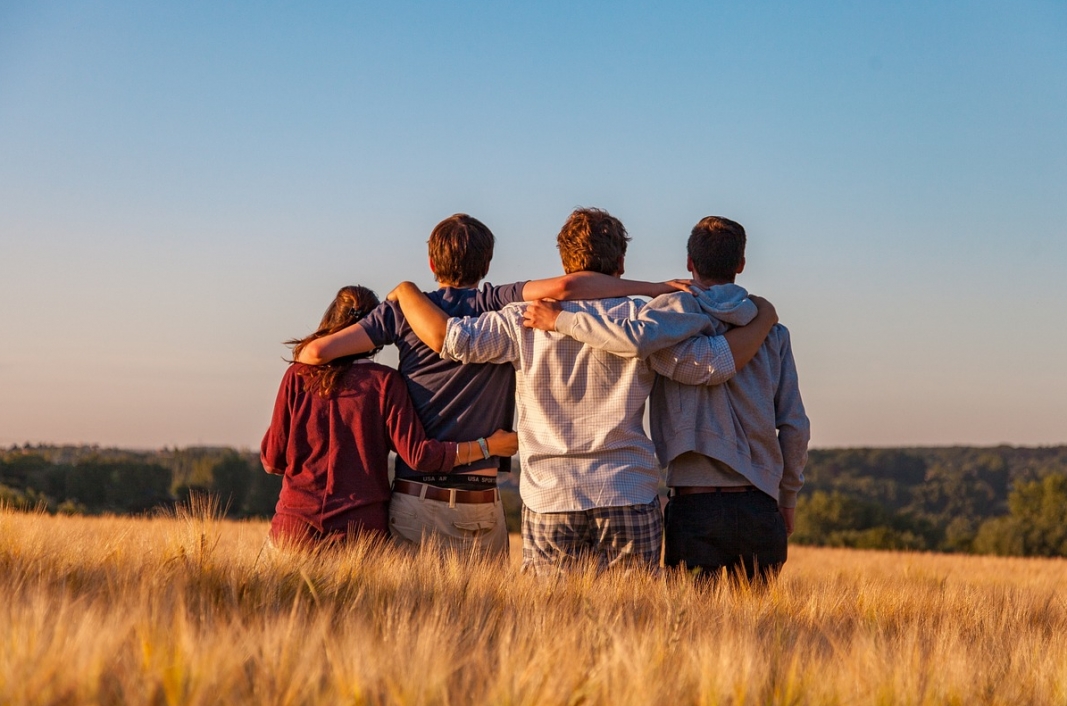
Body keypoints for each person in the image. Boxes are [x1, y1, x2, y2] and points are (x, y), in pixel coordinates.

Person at [387, 208, 778, 573]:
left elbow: (452, 340)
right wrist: (763, 320)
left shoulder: (520, 319)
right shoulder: (644, 321)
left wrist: (406, 292)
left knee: (551, 628)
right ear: (621, 264)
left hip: (550, 497)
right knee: (633, 625)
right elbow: (710, 366)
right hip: (627, 490)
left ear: (564, 263)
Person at [293, 213, 693, 558]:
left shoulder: (402, 311)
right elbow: (569, 288)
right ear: (487, 264)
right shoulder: (497, 302)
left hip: (416, 496)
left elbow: (314, 355)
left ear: (431, 261)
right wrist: (654, 288)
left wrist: (399, 299)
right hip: (481, 500)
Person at [524, 216, 809, 582]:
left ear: (690, 262)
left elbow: (633, 340)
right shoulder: (772, 331)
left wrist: (562, 320)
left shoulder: (665, 320)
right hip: (761, 504)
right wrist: (787, 497)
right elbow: (795, 425)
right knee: (757, 633)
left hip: (694, 506)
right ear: (740, 264)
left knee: (690, 629)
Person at [261, 285, 518, 549]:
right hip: (360, 535)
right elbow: (420, 456)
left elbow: (273, 460)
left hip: (293, 530)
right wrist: (488, 446)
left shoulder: (297, 376)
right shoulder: (385, 383)